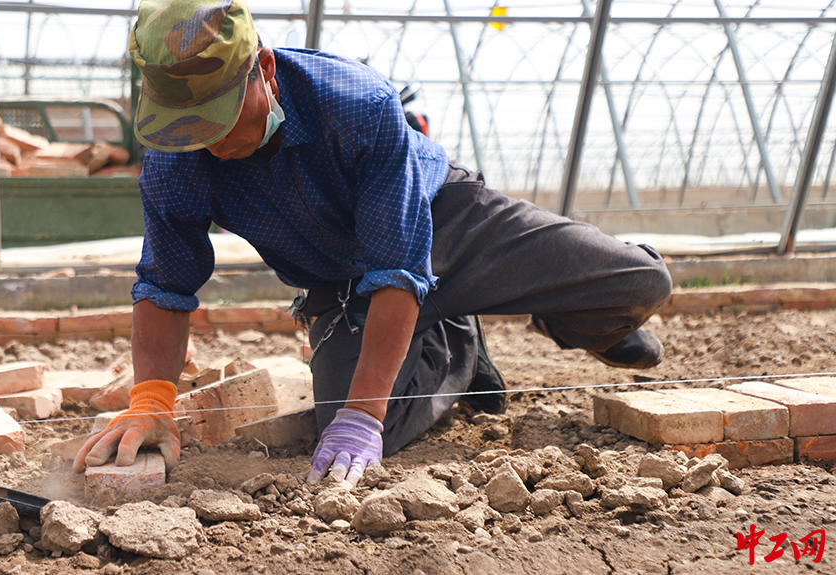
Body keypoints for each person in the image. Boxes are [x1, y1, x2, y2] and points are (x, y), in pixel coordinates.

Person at [74, 0, 672, 485]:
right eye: (189, 124)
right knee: (350, 428)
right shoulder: (176, 163)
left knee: (642, 283)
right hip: (342, 281)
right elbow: (164, 286)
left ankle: (557, 312)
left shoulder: (356, 105)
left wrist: (368, 406)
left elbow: (397, 263)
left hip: (447, 221)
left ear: (264, 67)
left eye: (221, 114)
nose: (209, 139)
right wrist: (152, 400)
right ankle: (453, 345)